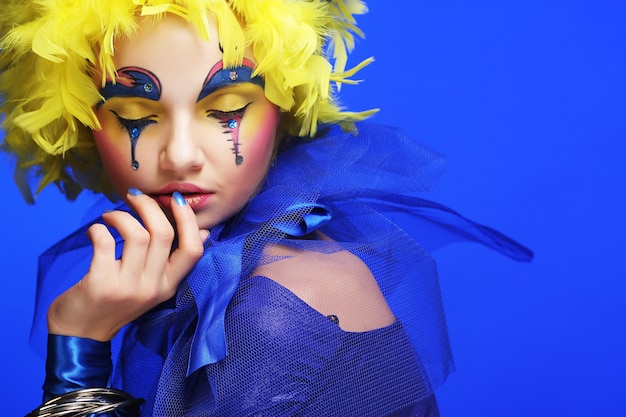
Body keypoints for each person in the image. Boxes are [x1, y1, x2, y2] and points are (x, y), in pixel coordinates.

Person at [0, 1, 532, 416]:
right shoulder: (243, 265)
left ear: (285, 108)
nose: (180, 154)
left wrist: (78, 351)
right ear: (83, 127)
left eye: (226, 110)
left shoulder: (277, 309)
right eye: (135, 115)